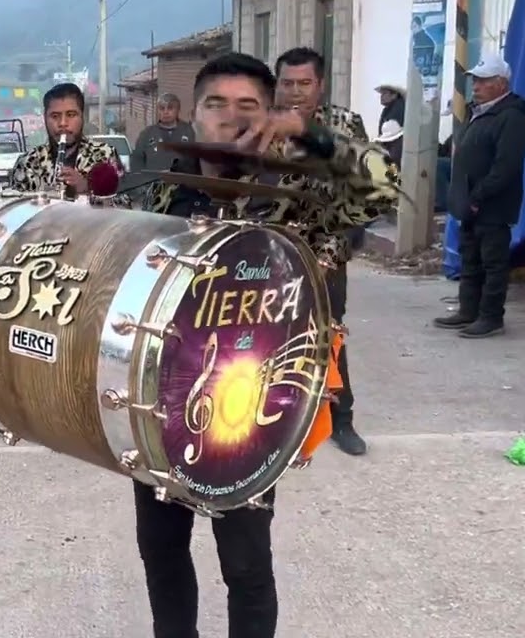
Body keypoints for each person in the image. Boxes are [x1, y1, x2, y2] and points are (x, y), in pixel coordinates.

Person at [136, 53, 398, 638]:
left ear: (269, 115)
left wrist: (310, 134)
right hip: (158, 410)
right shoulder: (160, 196)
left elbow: (382, 185)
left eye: (248, 106)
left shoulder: (300, 195)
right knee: (161, 553)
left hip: (246, 417)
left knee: (248, 567)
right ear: (194, 116)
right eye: (216, 104)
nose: (230, 118)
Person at [272, 46, 370, 456]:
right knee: (271, 335)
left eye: (305, 83)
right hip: (273, 252)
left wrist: (331, 252)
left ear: (321, 85)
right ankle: (276, 423)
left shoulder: (345, 125)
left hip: (326, 250)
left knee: (328, 336)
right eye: (287, 83)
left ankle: (341, 419)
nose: (296, 92)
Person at [435, 53, 525, 338]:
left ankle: (491, 318)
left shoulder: (513, 116)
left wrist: (479, 196)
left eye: (482, 81)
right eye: (474, 81)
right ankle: (469, 310)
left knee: (493, 262)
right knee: (471, 258)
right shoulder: (478, 111)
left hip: (492, 204)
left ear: (501, 84)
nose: (475, 86)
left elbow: (506, 166)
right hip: (470, 202)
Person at [8, 82, 121, 198]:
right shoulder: (27, 163)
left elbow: (124, 207)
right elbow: (14, 210)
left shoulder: (105, 156)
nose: (62, 123)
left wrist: (87, 188)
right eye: (55, 116)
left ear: (83, 117)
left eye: (71, 115)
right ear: (45, 118)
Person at [128, 93, 195, 173]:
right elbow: (136, 161)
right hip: (153, 183)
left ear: (178, 110)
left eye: (170, 108)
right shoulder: (147, 134)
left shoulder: (189, 131)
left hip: (182, 183)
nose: (165, 112)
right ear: (157, 111)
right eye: (162, 108)